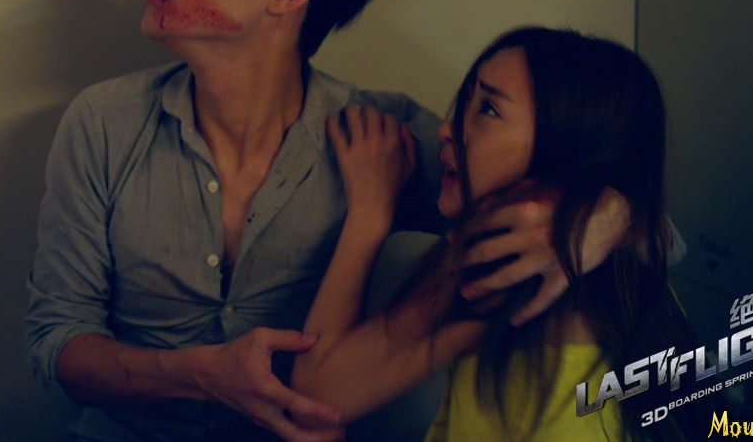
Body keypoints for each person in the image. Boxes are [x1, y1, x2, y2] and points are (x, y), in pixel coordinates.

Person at [25, 0, 630, 442]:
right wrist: (200, 375)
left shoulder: (382, 137)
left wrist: (599, 217)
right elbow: (58, 343)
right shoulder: (104, 122)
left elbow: (648, 234)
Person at [292, 26, 720, 441]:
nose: (446, 129)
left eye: (489, 110)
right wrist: (370, 210)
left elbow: (318, 392)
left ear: (564, 150)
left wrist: (369, 210)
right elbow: (321, 390)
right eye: (467, 101)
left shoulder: (534, 318)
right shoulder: (500, 263)